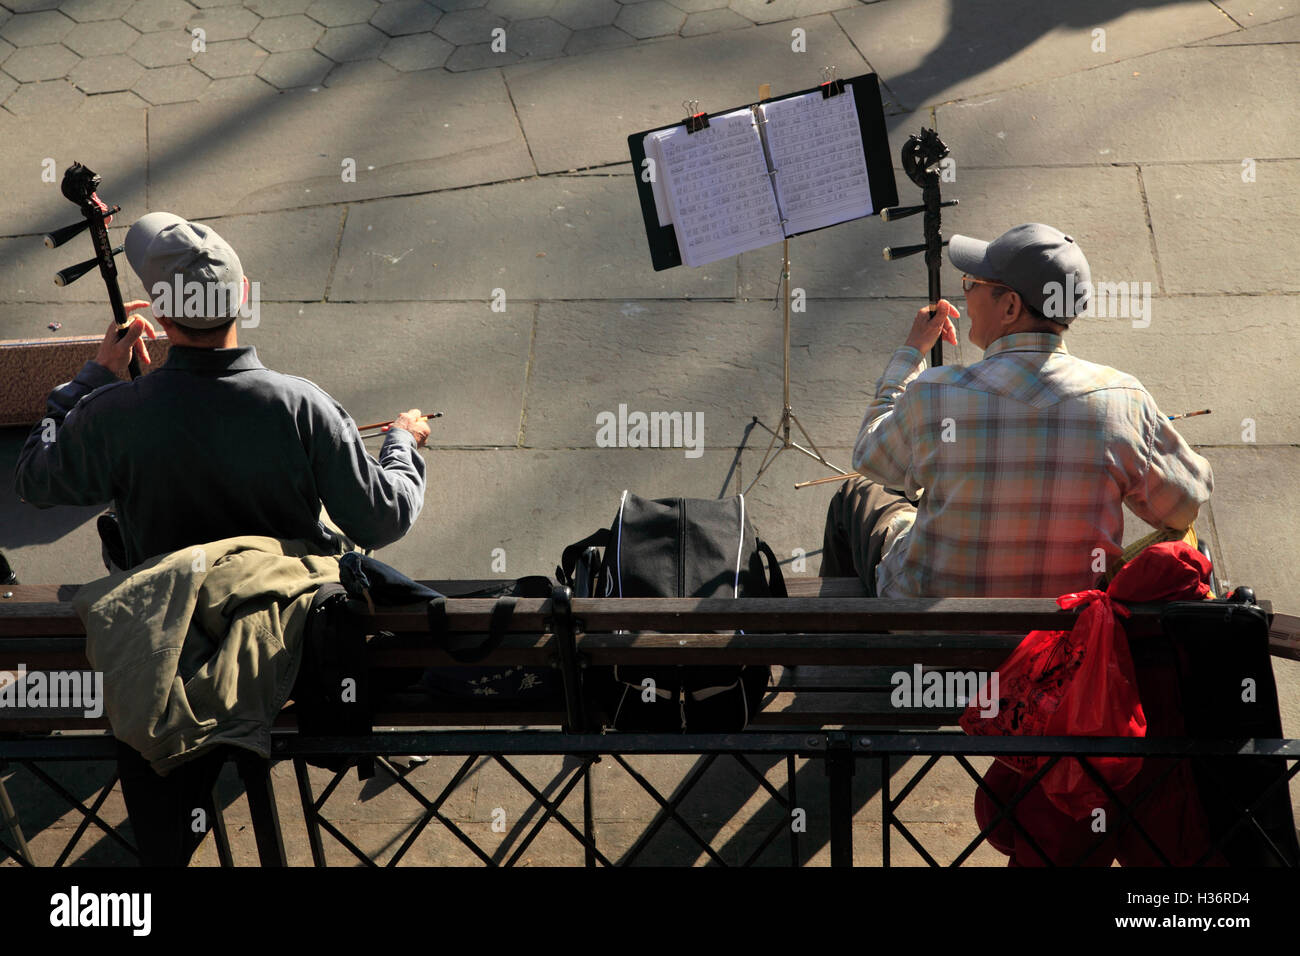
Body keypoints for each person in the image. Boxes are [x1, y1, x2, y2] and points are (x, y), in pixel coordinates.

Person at [13, 211, 431, 866]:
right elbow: (384, 518)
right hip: (282, 650)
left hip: (168, 638)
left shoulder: (112, 414)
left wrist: (92, 379)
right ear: (240, 298)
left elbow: (36, 477)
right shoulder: (303, 405)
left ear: (158, 316)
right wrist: (402, 444)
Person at [820, 223, 1213, 597]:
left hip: (933, 635)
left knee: (856, 494)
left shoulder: (932, 396)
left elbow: (870, 457)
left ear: (1009, 306)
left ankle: (829, 652)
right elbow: (1183, 508)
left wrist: (909, 356)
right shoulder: (1124, 401)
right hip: (1062, 639)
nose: (966, 294)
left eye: (973, 284)